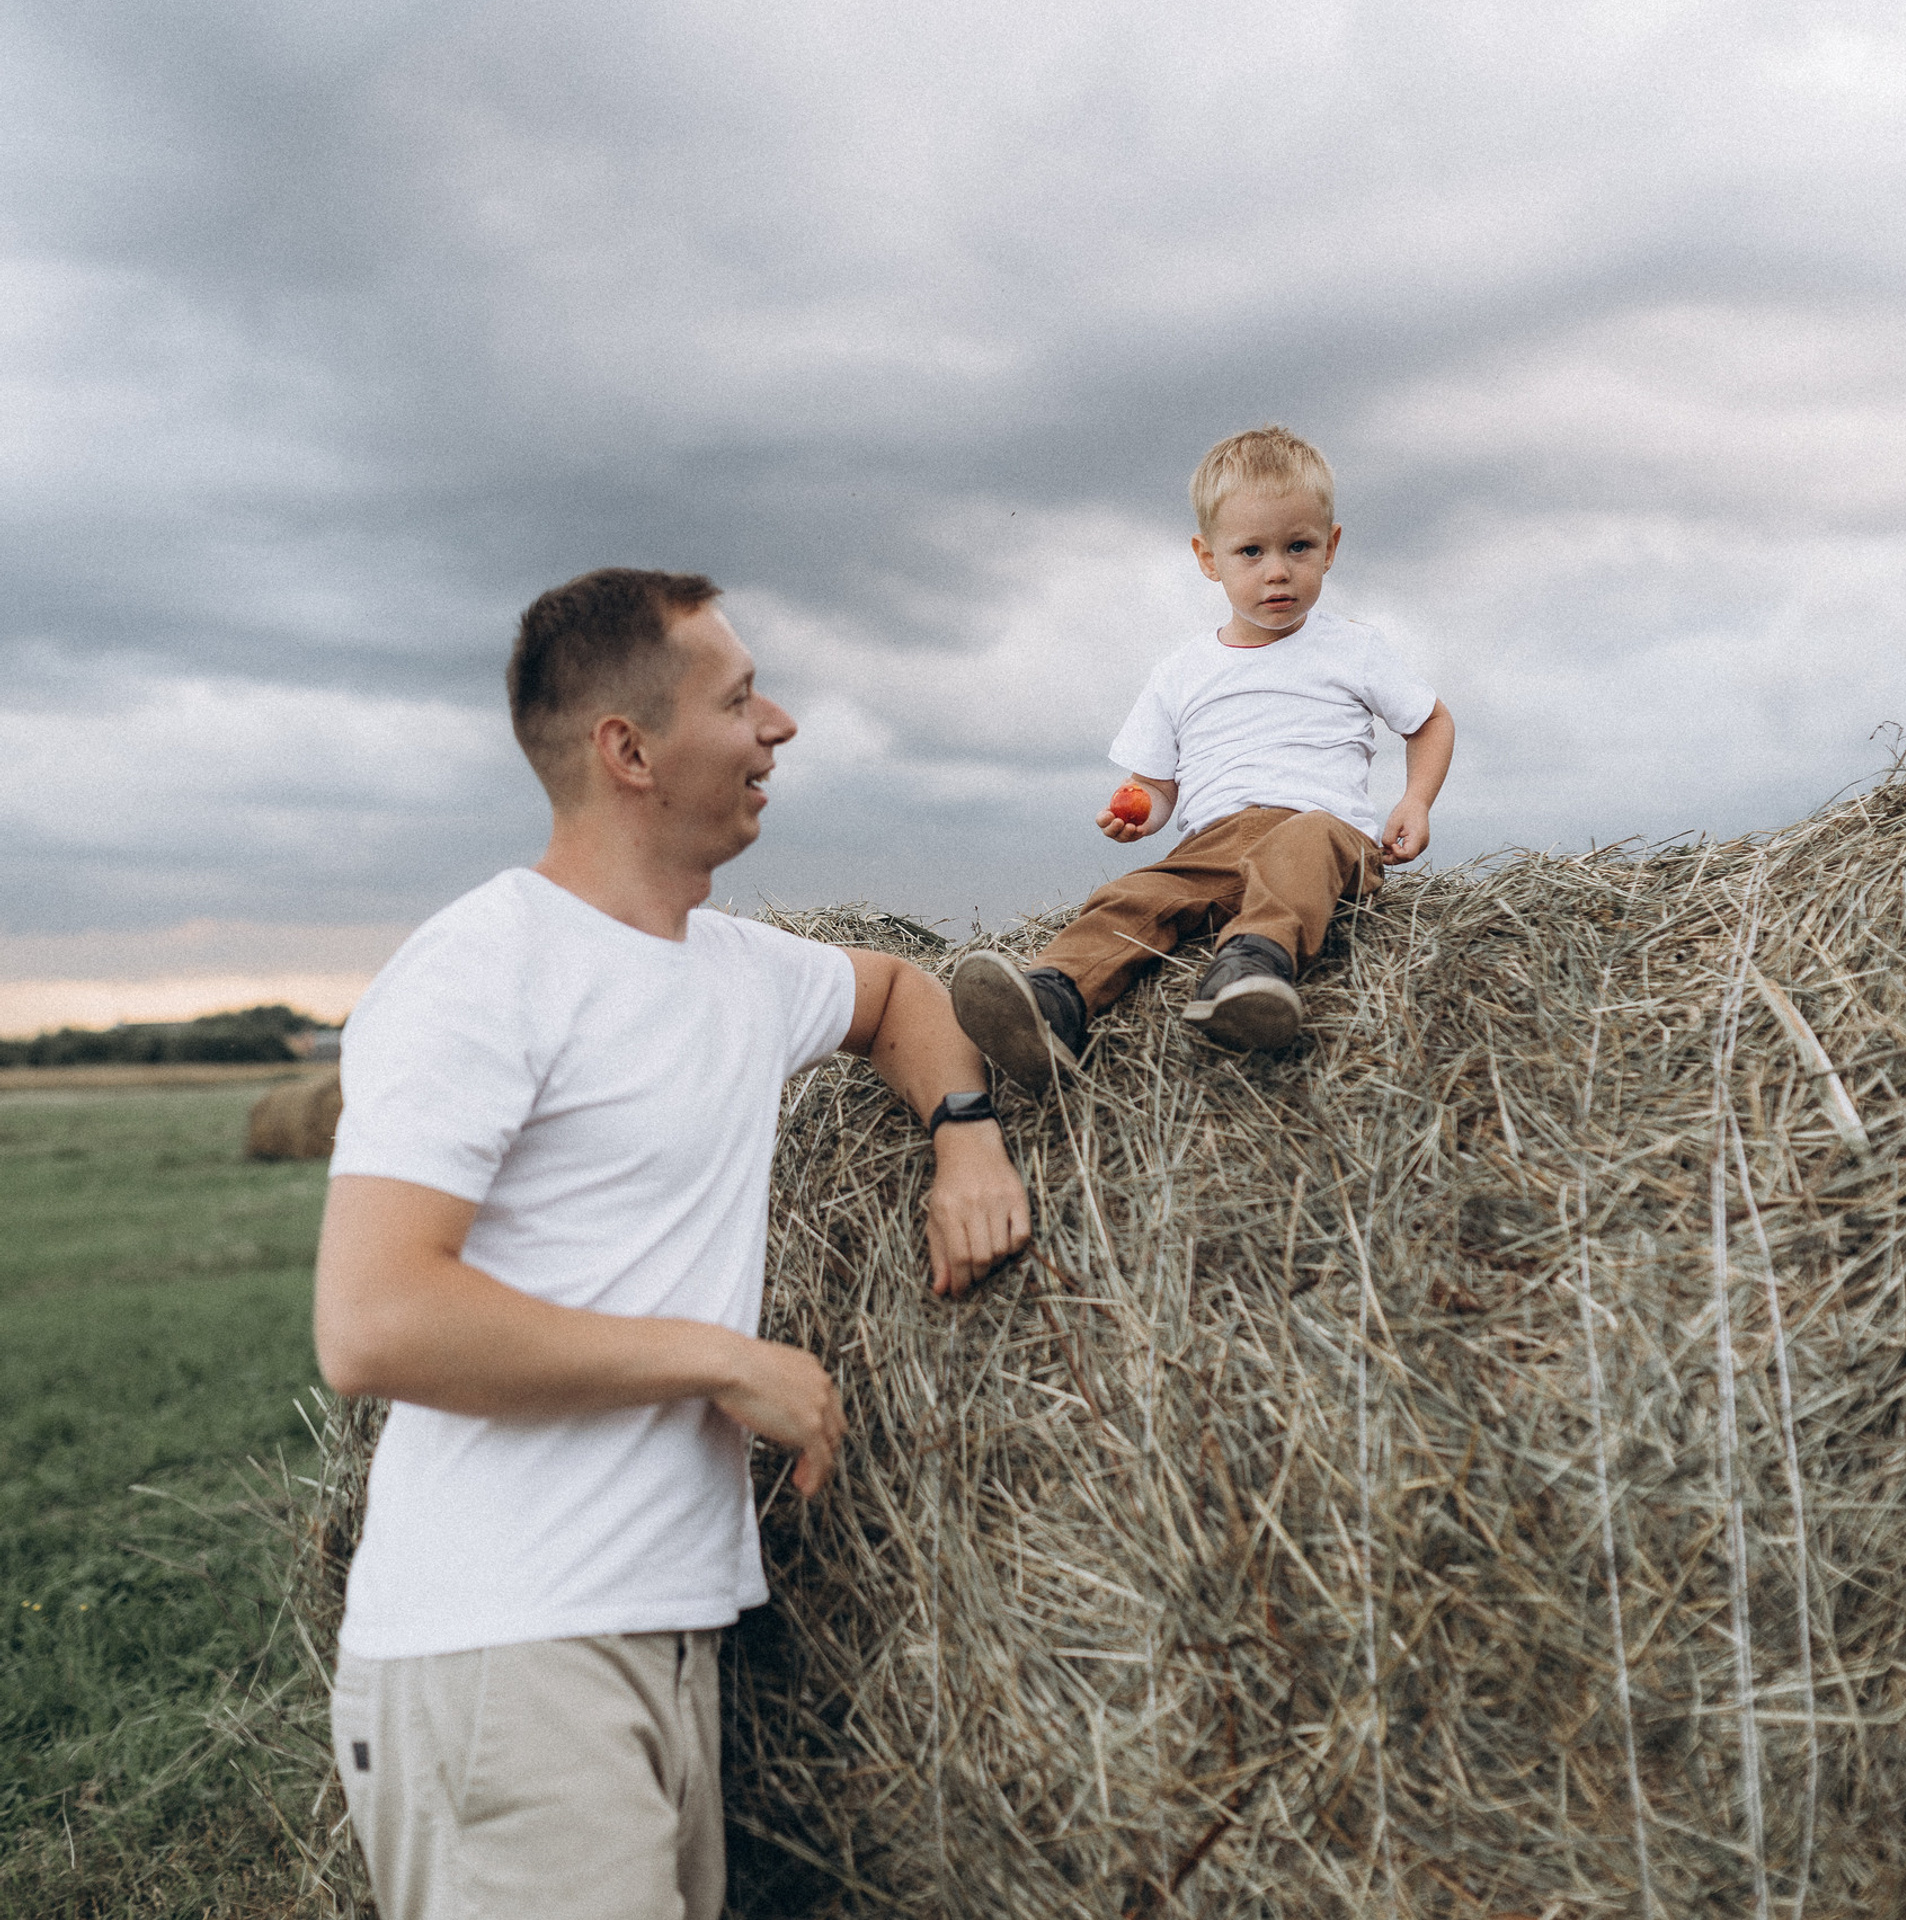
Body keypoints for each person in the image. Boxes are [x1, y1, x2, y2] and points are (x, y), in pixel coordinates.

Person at [314, 568, 1031, 1920]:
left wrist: (967, 1133)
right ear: (627, 751)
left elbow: (899, 994)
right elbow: (373, 1321)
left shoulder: (735, 972)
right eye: (742, 699)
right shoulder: (486, 968)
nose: (783, 729)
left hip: (657, 1635)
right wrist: (718, 1358)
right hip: (505, 1653)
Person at [952, 425, 1454, 1090]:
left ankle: (1251, 969)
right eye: (1251, 551)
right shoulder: (1181, 672)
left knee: (1301, 842)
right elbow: (1156, 785)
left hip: (1325, 839)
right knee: (1134, 895)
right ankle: (1054, 1000)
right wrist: (1142, 810)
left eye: (1298, 547)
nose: (1278, 569)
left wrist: (1415, 799)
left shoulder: (1353, 648)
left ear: (1330, 548)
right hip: (1215, 845)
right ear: (1208, 558)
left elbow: (1431, 721)